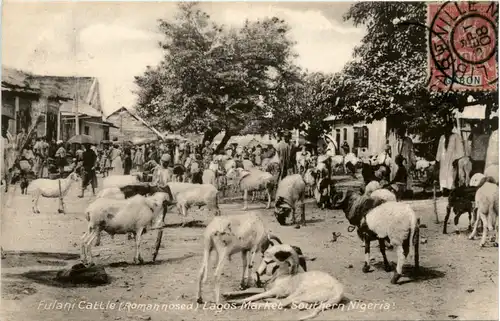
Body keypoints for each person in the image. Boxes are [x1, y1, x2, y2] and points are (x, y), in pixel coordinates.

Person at [436, 123, 464, 193]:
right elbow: (439, 149)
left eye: (448, 128)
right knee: (443, 174)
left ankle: (451, 189)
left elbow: (460, 149)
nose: (446, 130)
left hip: (452, 159)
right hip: (443, 160)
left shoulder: (456, 136)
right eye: (445, 128)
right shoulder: (442, 137)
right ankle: (444, 189)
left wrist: (457, 159)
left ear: (451, 128)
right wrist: (437, 160)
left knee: (451, 174)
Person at [389, 128, 416, 193]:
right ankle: (396, 190)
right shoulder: (394, 141)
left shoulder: (408, 141)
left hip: (405, 162)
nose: (399, 135)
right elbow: (392, 153)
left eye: (401, 133)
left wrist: (413, 162)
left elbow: (411, 152)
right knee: (395, 175)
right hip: (396, 162)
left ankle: (407, 190)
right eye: (398, 133)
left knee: (407, 176)